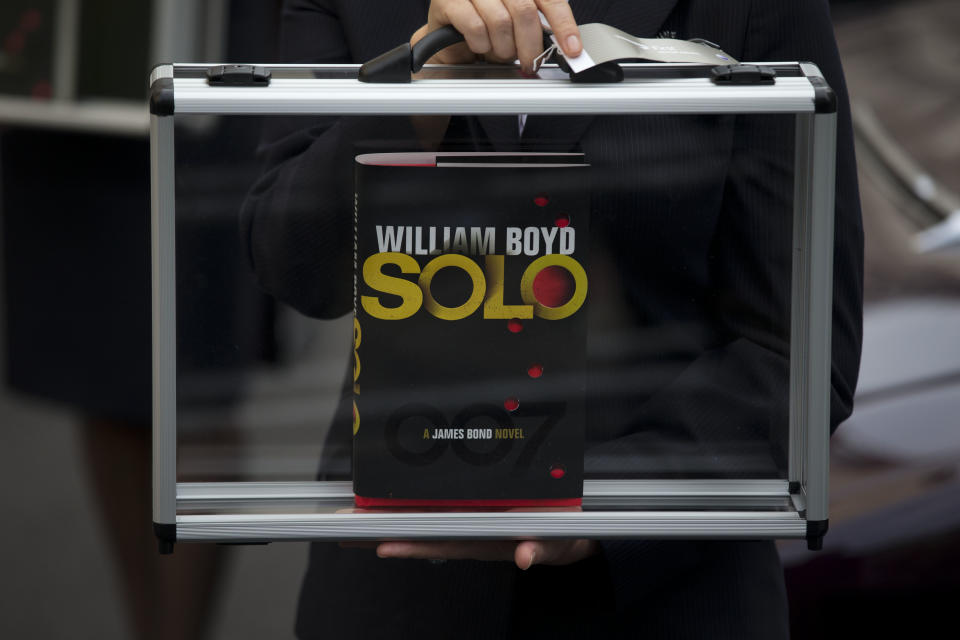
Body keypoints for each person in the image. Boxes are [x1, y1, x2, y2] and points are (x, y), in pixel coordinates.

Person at [240, 0, 863, 637]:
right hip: (398, 584)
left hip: (662, 593)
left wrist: (602, 507)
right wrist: (420, 97)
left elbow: (802, 354)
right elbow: (292, 265)